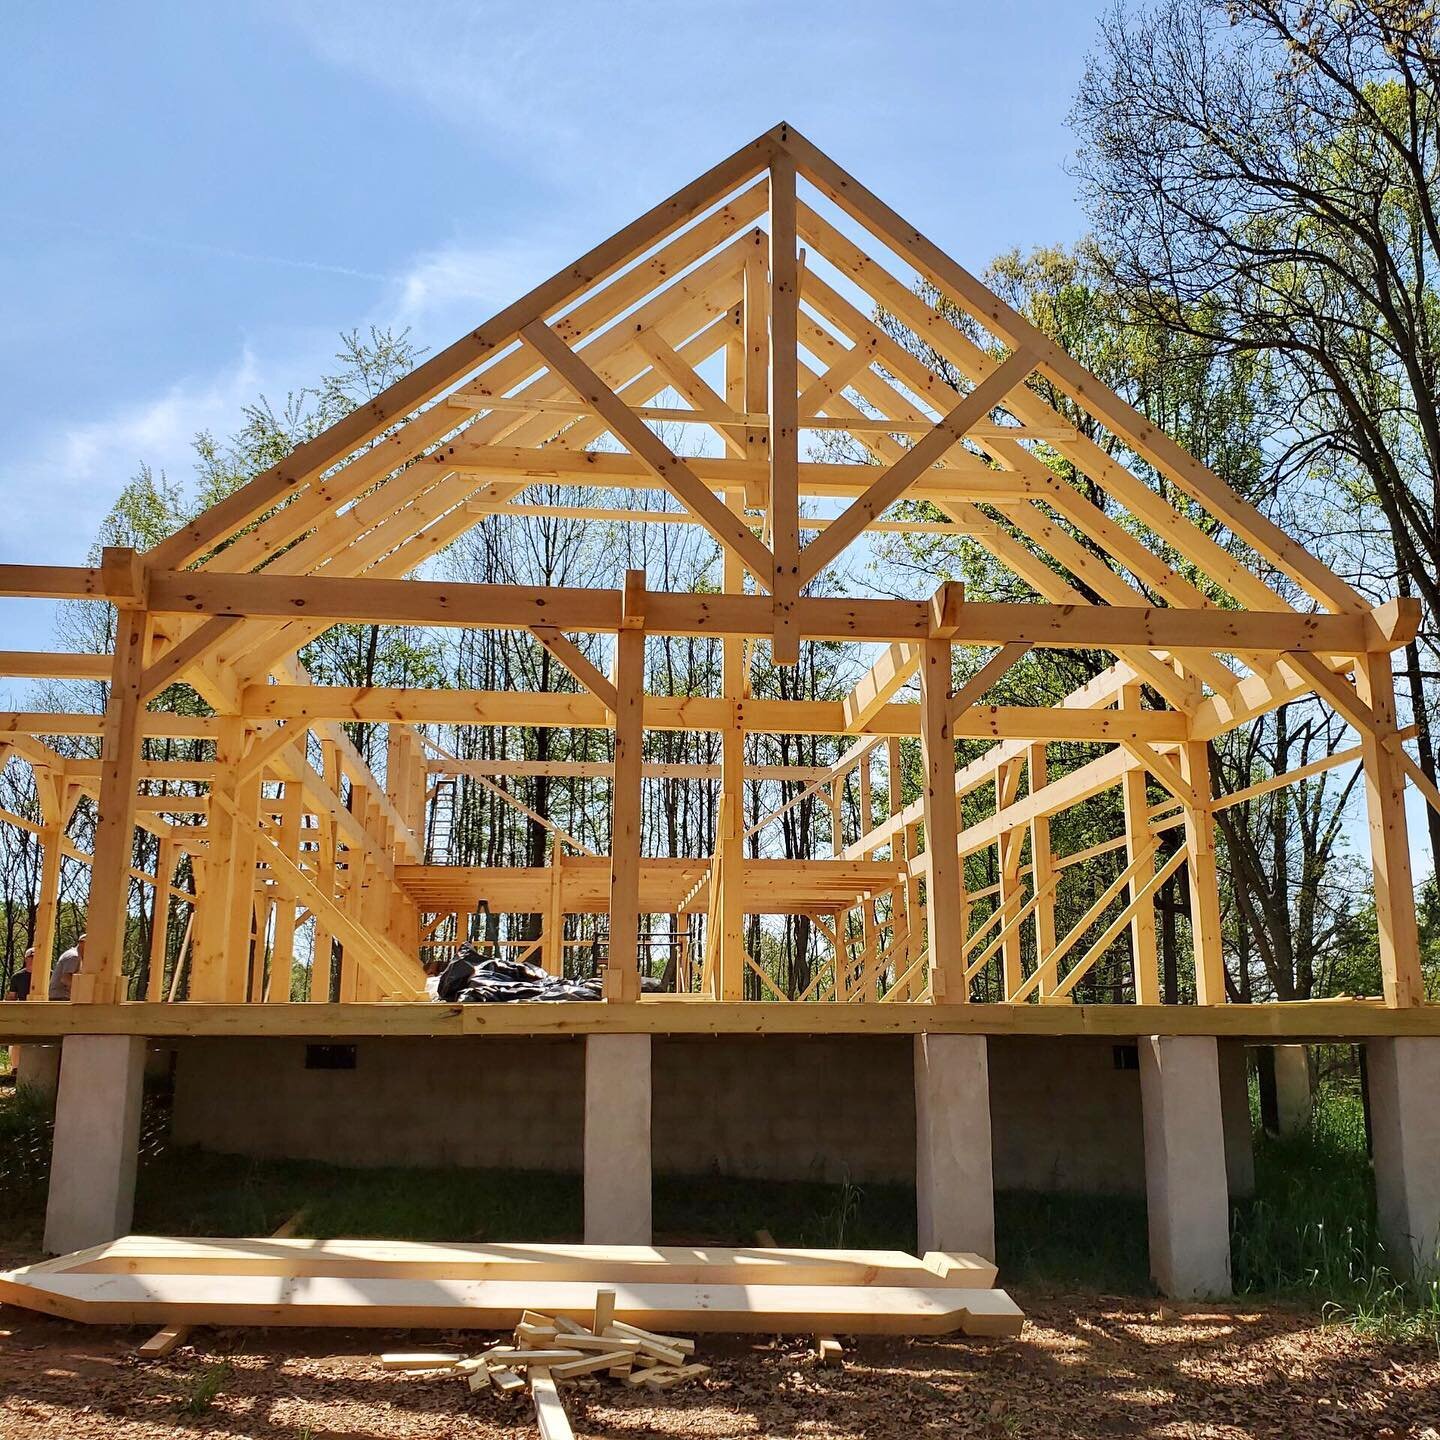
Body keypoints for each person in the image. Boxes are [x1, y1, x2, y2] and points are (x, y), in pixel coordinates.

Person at [49, 933, 84, 1000]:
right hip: (61, 997)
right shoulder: (74, 956)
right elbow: (65, 979)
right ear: (82, 943)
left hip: (60, 996)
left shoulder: (76, 955)